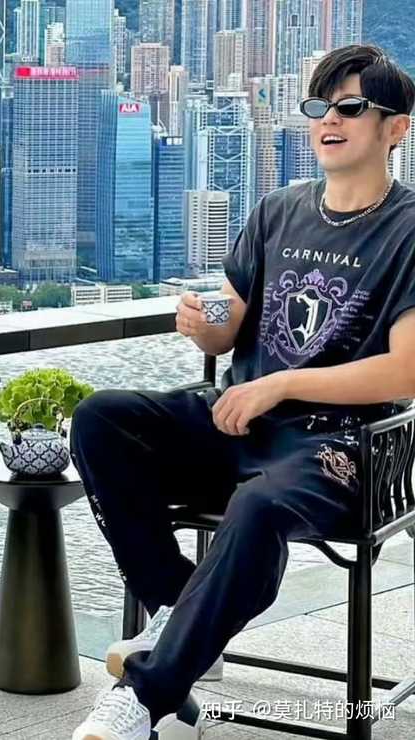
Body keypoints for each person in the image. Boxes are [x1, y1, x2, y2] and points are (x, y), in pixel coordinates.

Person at [70, 44, 415, 740]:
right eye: (318, 107)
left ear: (396, 128)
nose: (328, 120)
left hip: (342, 446)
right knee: (101, 420)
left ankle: (148, 694)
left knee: (257, 506)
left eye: (350, 107)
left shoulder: (408, 230)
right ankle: (184, 613)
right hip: (237, 420)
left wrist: (281, 384)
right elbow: (229, 320)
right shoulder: (277, 210)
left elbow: (406, 372)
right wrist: (204, 322)